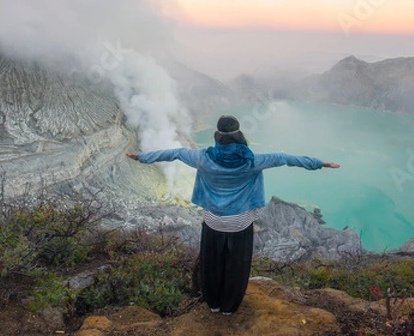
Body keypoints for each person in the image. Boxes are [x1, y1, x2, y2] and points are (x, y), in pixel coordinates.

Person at [126, 115, 340, 315]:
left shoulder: (203, 158)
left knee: (211, 263)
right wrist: (320, 163)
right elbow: (285, 158)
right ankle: (230, 307)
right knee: (237, 265)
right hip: (240, 223)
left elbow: (174, 153)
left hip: (213, 221)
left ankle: (214, 305)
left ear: (217, 137)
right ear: (239, 136)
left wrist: (142, 157)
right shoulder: (252, 161)